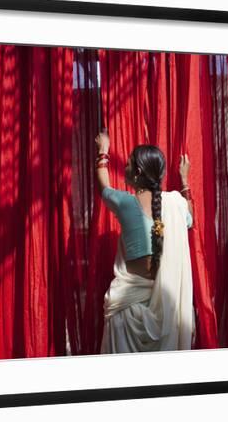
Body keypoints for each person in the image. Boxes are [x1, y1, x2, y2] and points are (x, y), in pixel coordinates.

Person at [94, 129, 196, 353]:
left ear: (138, 172)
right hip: (168, 315)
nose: (125, 167)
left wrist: (103, 150)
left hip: (125, 314)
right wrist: (185, 181)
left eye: (129, 163)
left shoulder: (125, 203)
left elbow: (104, 186)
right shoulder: (174, 204)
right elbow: (191, 217)